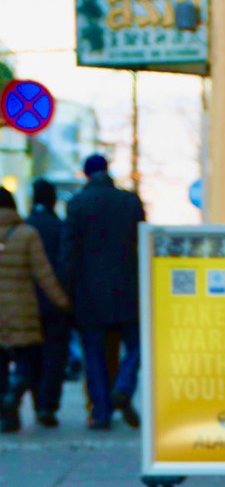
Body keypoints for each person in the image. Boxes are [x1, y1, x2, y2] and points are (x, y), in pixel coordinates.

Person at [65, 153, 145, 431]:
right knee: (137, 346)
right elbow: (143, 243)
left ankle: (100, 412)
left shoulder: (77, 205)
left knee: (95, 354)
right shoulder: (129, 202)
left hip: (90, 294)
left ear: (86, 174)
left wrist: (68, 293)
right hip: (129, 290)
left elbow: (69, 254)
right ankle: (123, 386)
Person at [0, 185, 70, 432]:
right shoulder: (26, 233)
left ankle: (7, 417)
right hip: (23, 308)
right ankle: (17, 388)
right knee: (28, 358)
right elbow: (44, 274)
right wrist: (62, 301)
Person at [27, 179, 72, 426]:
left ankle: (36, 401)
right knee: (55, 356)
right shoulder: (59, 227)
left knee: (33, 356)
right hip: (56, 303)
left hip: (27, 303)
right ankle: (48, 405)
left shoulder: (24, 227)